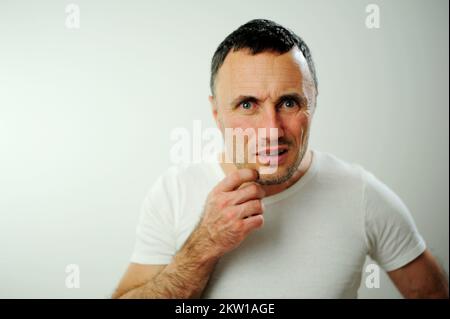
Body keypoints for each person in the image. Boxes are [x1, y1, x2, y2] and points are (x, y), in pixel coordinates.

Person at [113, 19, 448, 298]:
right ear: (216, 114)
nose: (271, 130)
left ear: (312, 104)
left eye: (288, 102)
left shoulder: (359, 193)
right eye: (247, 105)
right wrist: (202, 247)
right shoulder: (174, 192)